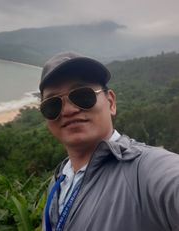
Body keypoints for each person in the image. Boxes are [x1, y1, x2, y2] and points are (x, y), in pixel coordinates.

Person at [39, 52, 179, 231]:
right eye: (52, 104)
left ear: (111, 102)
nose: (67, 110)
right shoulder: (60, 179)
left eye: (82, 95)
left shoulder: (145, 170)